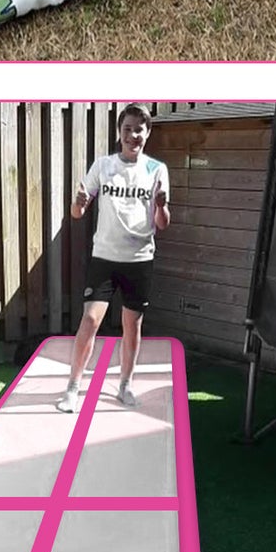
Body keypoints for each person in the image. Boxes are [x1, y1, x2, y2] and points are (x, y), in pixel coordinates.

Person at [55, 104, 170, 414]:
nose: (134, 135)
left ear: (147, 133)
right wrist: (77, 204)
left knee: (131, 326)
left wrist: (161, 206)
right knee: (90, 320)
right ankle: (73, 387)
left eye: (139, 129)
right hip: (104, 258)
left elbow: (162, 223)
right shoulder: (103, 166)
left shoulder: (156, 169)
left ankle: (125, 385)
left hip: (140, 259)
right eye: (128, 128)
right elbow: (77, 213)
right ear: (120, 133)